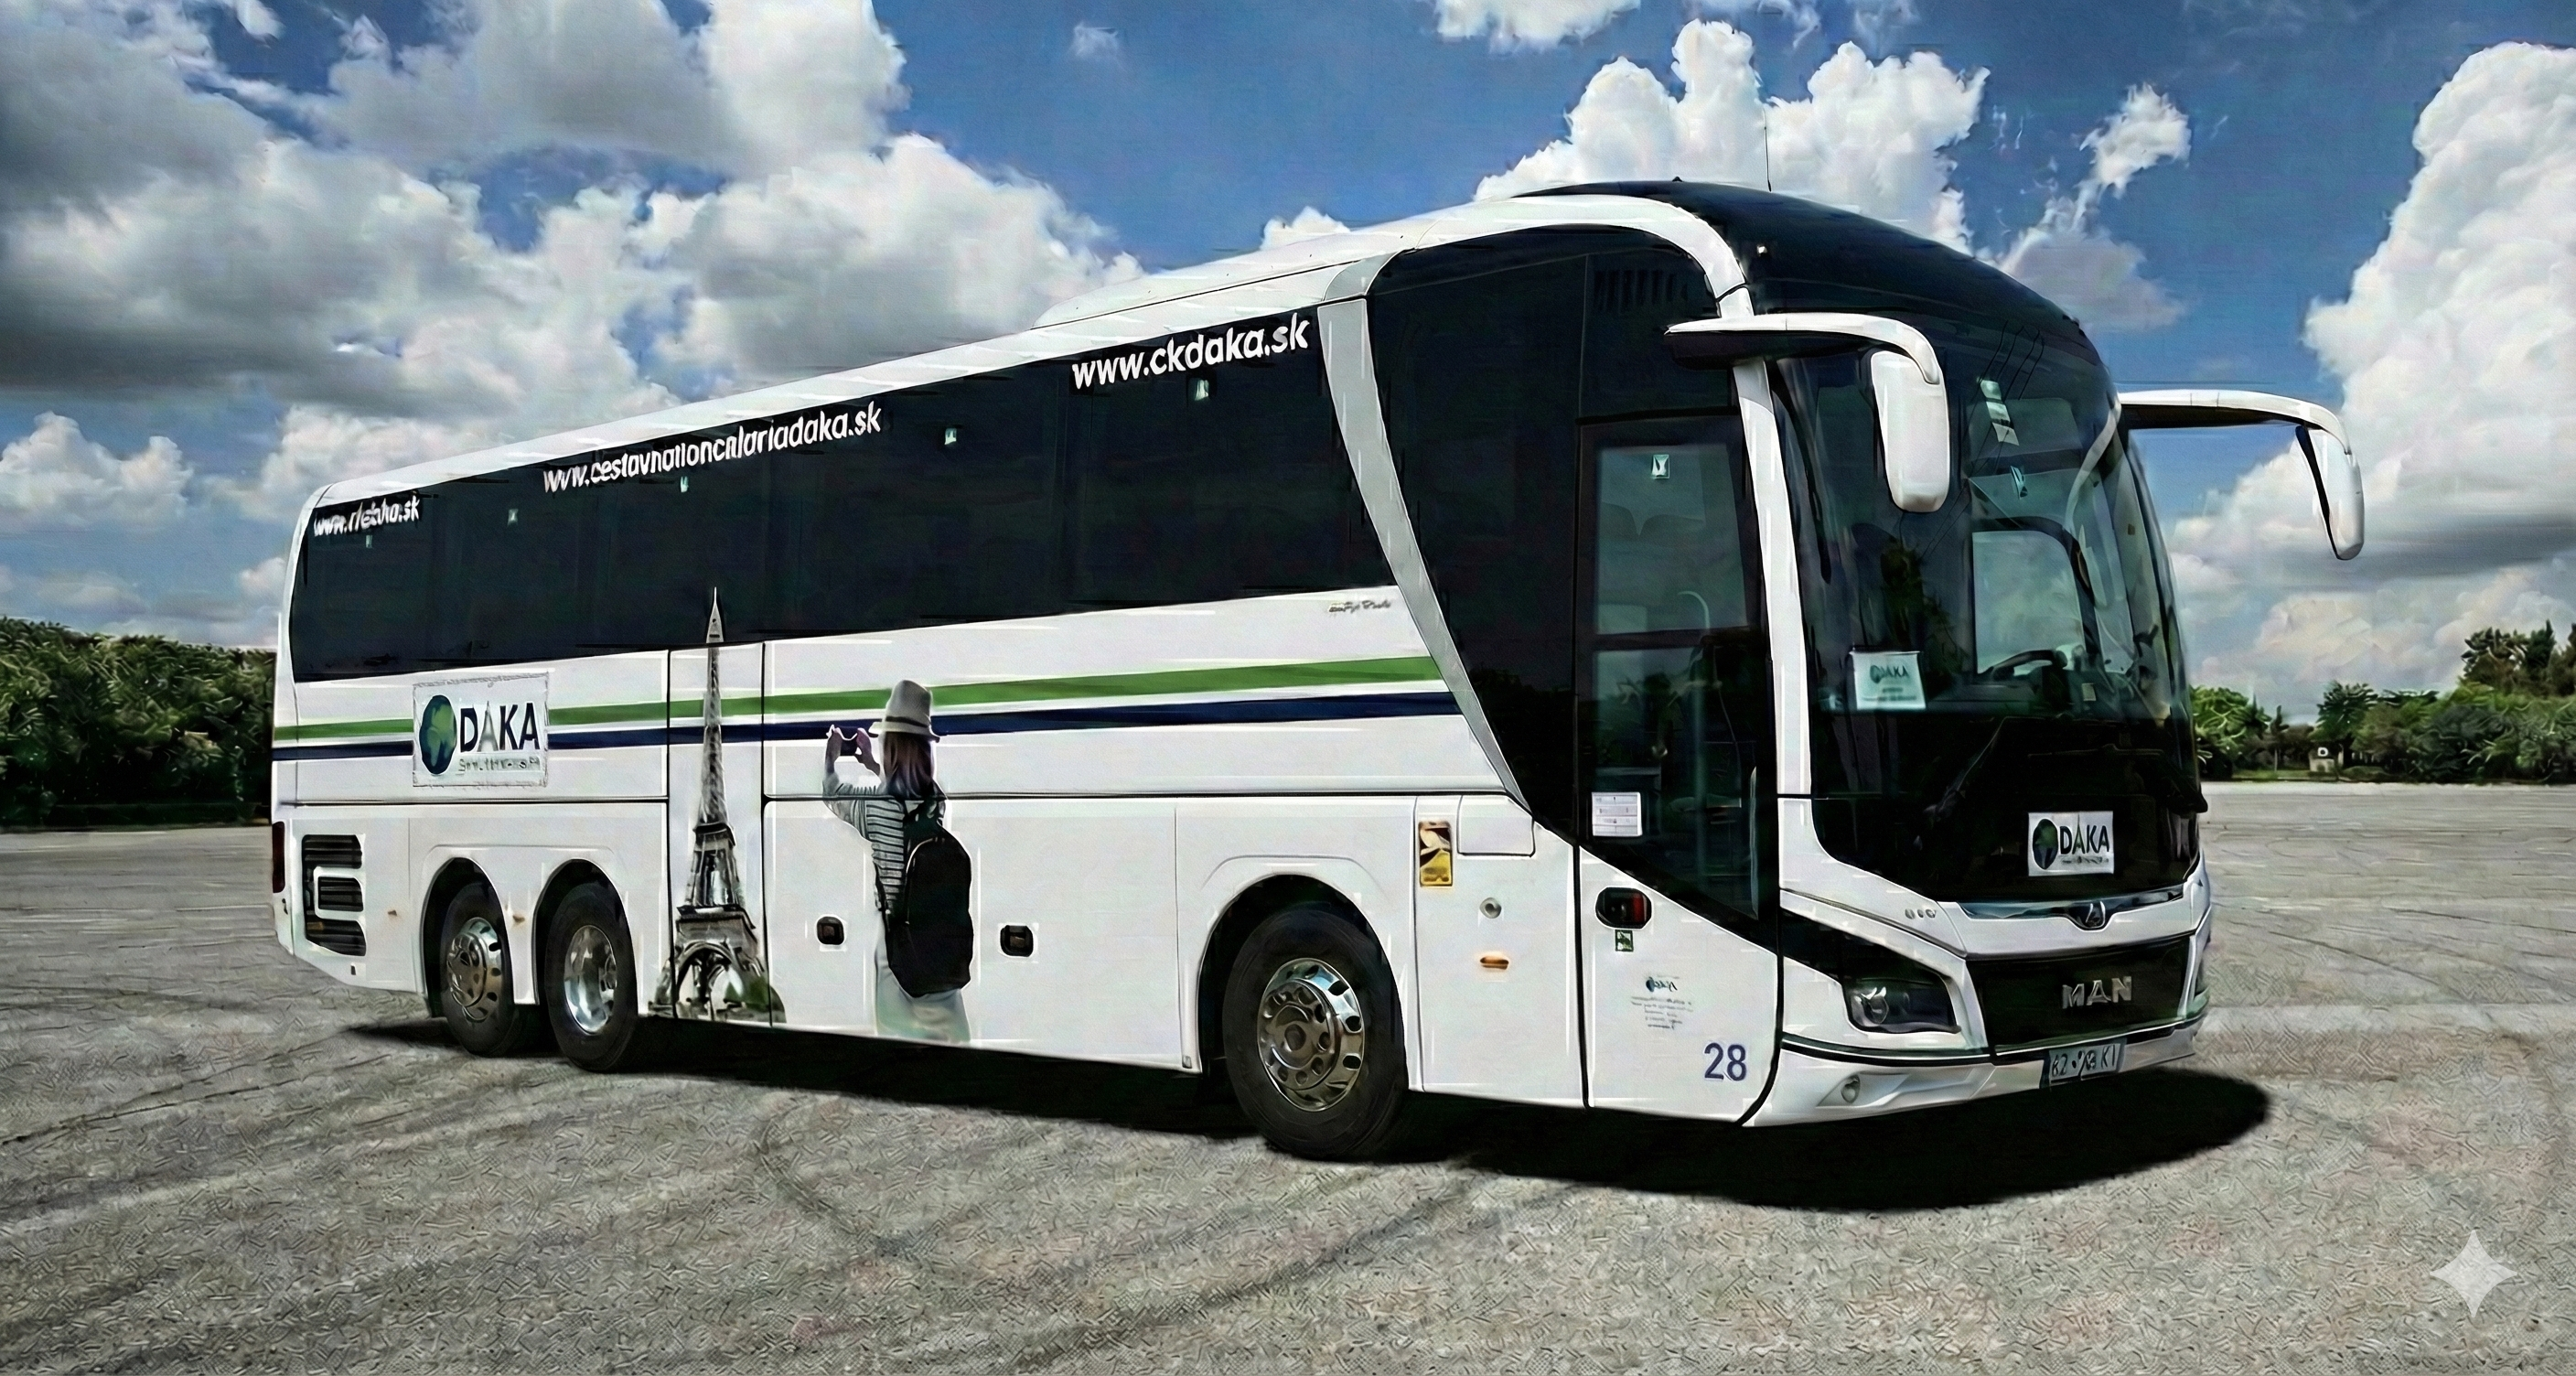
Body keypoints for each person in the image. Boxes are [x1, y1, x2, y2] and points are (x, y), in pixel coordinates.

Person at [824, 679, 968, 1042]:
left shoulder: (874, 809)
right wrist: (875, 766)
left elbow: (833, 794)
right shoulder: (936, 802)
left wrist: (831, 758)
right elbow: (906, 794)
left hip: (898, 957)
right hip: (938, 951)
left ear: (889, 746)